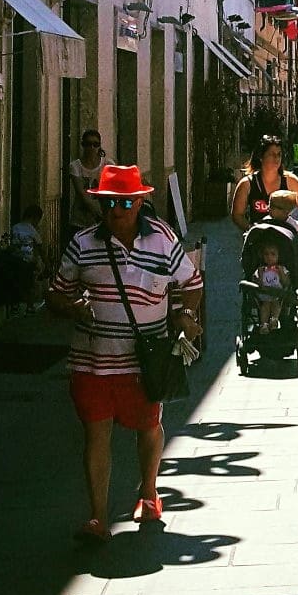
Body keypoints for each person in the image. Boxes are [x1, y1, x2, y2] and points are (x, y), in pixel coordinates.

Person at [47, 164, 203, 542]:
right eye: (108, 203)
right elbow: (55, 293)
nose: (115, 211)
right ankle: (98, 518)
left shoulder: (162, 239)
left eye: (123, 203)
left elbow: (192, 282)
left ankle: (149, 494)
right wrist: (72, 308)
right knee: (95, 435)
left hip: (142, 361)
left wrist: (184, 314)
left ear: (138, 202)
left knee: (148, 426)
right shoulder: (83, 243)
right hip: (92, 360)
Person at [231, 135, 298, 234]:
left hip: (284, 239)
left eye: (279, 154)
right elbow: (237, 214)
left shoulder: (289, 180)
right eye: (272, 154)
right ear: (261, 157)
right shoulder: (247, 183)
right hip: (259, 241)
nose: (276, 158)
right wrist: (252, 229)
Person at [68, 130, 111, 230]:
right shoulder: (75, 166)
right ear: (83, 145)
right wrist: (99, 213)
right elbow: (81, 193)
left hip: (102, 219)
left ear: (99, 146)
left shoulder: (107, 164)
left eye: (95, 144)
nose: (92, 148)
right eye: (88, 144)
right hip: (80, 220)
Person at [253, 240, 286, 332]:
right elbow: (258, 284)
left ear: (278, 256)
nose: (269, 257)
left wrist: (281, 273)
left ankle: (274, 320)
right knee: (265, 306)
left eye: (273, 254)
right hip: (265, 294)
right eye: (266, 254)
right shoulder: (261, 270)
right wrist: (260, 275)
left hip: (278, 294)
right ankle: (264, 324)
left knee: (276, 304)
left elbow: (286, 283)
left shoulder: (281, 269)